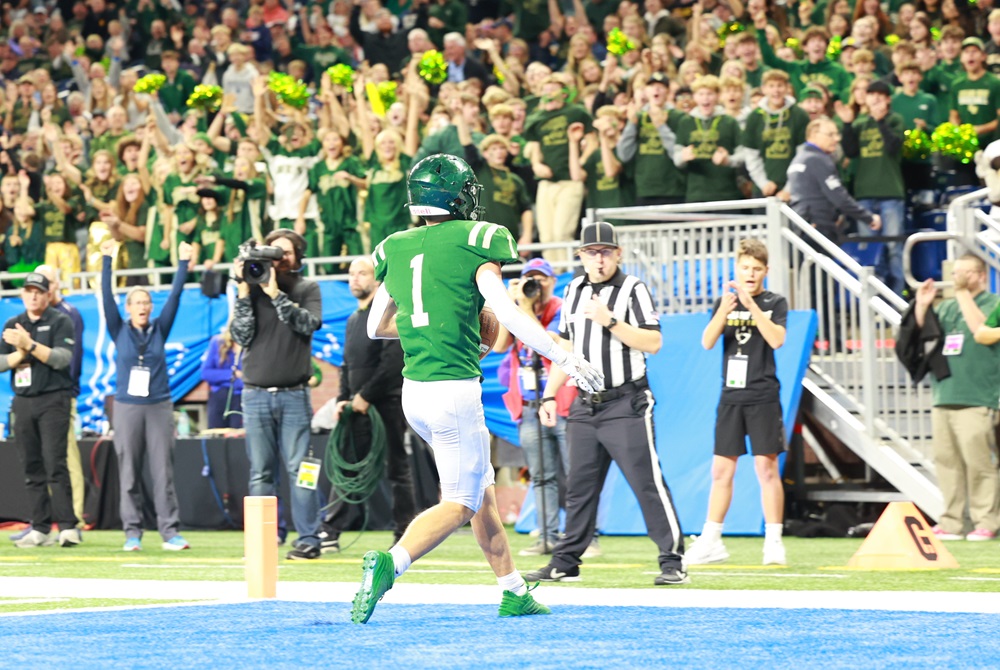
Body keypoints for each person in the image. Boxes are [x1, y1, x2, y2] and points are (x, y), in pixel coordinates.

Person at [351, 153, 602, 624]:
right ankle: (391, 562)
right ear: (462, 195)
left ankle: (512, 589)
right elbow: (505, 314)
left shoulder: (394, 246)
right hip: (453, 390)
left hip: (415, 392)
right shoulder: (478, 238)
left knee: (480, 487)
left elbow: (375, 326)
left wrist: (439, 330)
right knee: (461, 502)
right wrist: (564, 356)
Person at [524, 221, 688, 587]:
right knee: (579, 486)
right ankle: (566, 561)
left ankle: (672, 559)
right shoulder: (574, 290)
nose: (598, 260)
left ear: (618, 254)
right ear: (580, 256)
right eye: (591, 252)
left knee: (646, 482)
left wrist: (610, 320)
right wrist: (550, 394)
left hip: (626, 402)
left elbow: (653, 343)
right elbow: (566, 348)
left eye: (605, 252)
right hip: (584, 403)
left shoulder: (633, 289)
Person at [685, 239, 790, 567]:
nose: (750, 273)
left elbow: (776, 339)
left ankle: (773, 542)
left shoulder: (775, 302)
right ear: (737, 268)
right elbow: (706, 342)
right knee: (721, 469)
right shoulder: (725, 302)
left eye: (757, 268)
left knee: (766, 467)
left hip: (763, 394)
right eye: (745, 267)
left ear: (766, 272)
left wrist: (751, 305)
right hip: (731, 395)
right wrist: (724, 310)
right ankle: (711, 540)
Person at [231, 229, 325, 561]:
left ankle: (310, 538)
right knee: (260, 471)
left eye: (285, 252)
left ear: (298, 257)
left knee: (303, 470)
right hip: (255, 395)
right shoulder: (252, 286)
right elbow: (240, 335)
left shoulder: (307, 288)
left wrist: (275, 295)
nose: (279, 258)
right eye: (273, 251)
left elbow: (308, 323)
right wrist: (244, 292)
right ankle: (262, 540)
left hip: (294, 394)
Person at [101, 239, 192, 552]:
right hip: (127, 407)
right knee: (128, 472)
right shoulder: (118, 328)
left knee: (163, 470)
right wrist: (107, 261)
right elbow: (105, 297)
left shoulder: (160, 328)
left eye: (146, 302)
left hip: (158, 406)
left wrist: (182, 263)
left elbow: (176, 295)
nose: (142, 306)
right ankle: (132, 532)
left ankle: (169, 532)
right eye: (137, 302)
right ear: (128, 309)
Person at [320, 257, 415, 553]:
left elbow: (391, 363)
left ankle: (405, 534)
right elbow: (347, 364)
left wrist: (366, 397)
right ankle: (331, 531)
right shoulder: (353, 319)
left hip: (385, 404)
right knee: (345, 466)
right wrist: (343, 399)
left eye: (362, 273)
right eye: (351, 274)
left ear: (377, 280)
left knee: (396, 469)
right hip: (355, 407)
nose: (355, 279)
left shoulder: (389, 312)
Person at [913, 254, 1000, 541]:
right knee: (946, 462)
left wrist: (962, 292)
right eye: (956, 271)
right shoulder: (948, 307)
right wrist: (923, 307)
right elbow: (925, 336)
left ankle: (986, 521)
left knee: (980, 464)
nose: (959, 276)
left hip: (978, 396)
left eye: (966, 272)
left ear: (981, 275)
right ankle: (951, 521)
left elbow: (980, 331)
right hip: (945, 393)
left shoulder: (993, 304)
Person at [494, 258, 574, 557]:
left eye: (540, 279)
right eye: (529, 278)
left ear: (552, 283)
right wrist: (507, 305)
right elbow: (501, 345)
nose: (534, 286)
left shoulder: (560, 309)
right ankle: (548, 537)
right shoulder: (516, 308)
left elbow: (544, 341)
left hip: (561, 402)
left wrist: (524, 309)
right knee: (541, 475)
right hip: (529, 405)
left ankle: (584, 538)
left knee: (574, 473)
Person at [0, 271, 79, 548]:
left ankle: (68, 526)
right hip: (23, 400)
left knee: (55, 463)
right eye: (29, 290)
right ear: (23, 294)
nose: (33, 295)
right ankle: (40, 527)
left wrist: (29, 345)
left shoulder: (60, 321)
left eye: (39, 291)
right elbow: (1, 362)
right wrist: (19, 354)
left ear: (48, 295)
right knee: (31, 465)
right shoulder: (13, 324)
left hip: (53, 399)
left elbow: (61, 359)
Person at [36, 265, 86, 527]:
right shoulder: (34, 316)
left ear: (56, 285)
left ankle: (73, 516)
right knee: (43, 459)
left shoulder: (69, 315)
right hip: (37, 397)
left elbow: (72, 360)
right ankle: (46, 519)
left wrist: (67, 391)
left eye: (48, 283)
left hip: (61, 394)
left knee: (66, 456)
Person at [786, 117, 882, 244]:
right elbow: (839, 197)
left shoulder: (798, 158)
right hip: (818, 228)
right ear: (814, 135)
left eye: (837, 134)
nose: (837, 139)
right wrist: (868, 217)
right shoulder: (817, 159)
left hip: (802, 226)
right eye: (830, 135)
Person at [200, 327, 243, 429]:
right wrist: (233, 374)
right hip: (220, 396)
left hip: (243, 397)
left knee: (240, 439)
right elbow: (206, 373)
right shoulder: (218, 342)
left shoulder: (253, 344)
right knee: (216, 439)